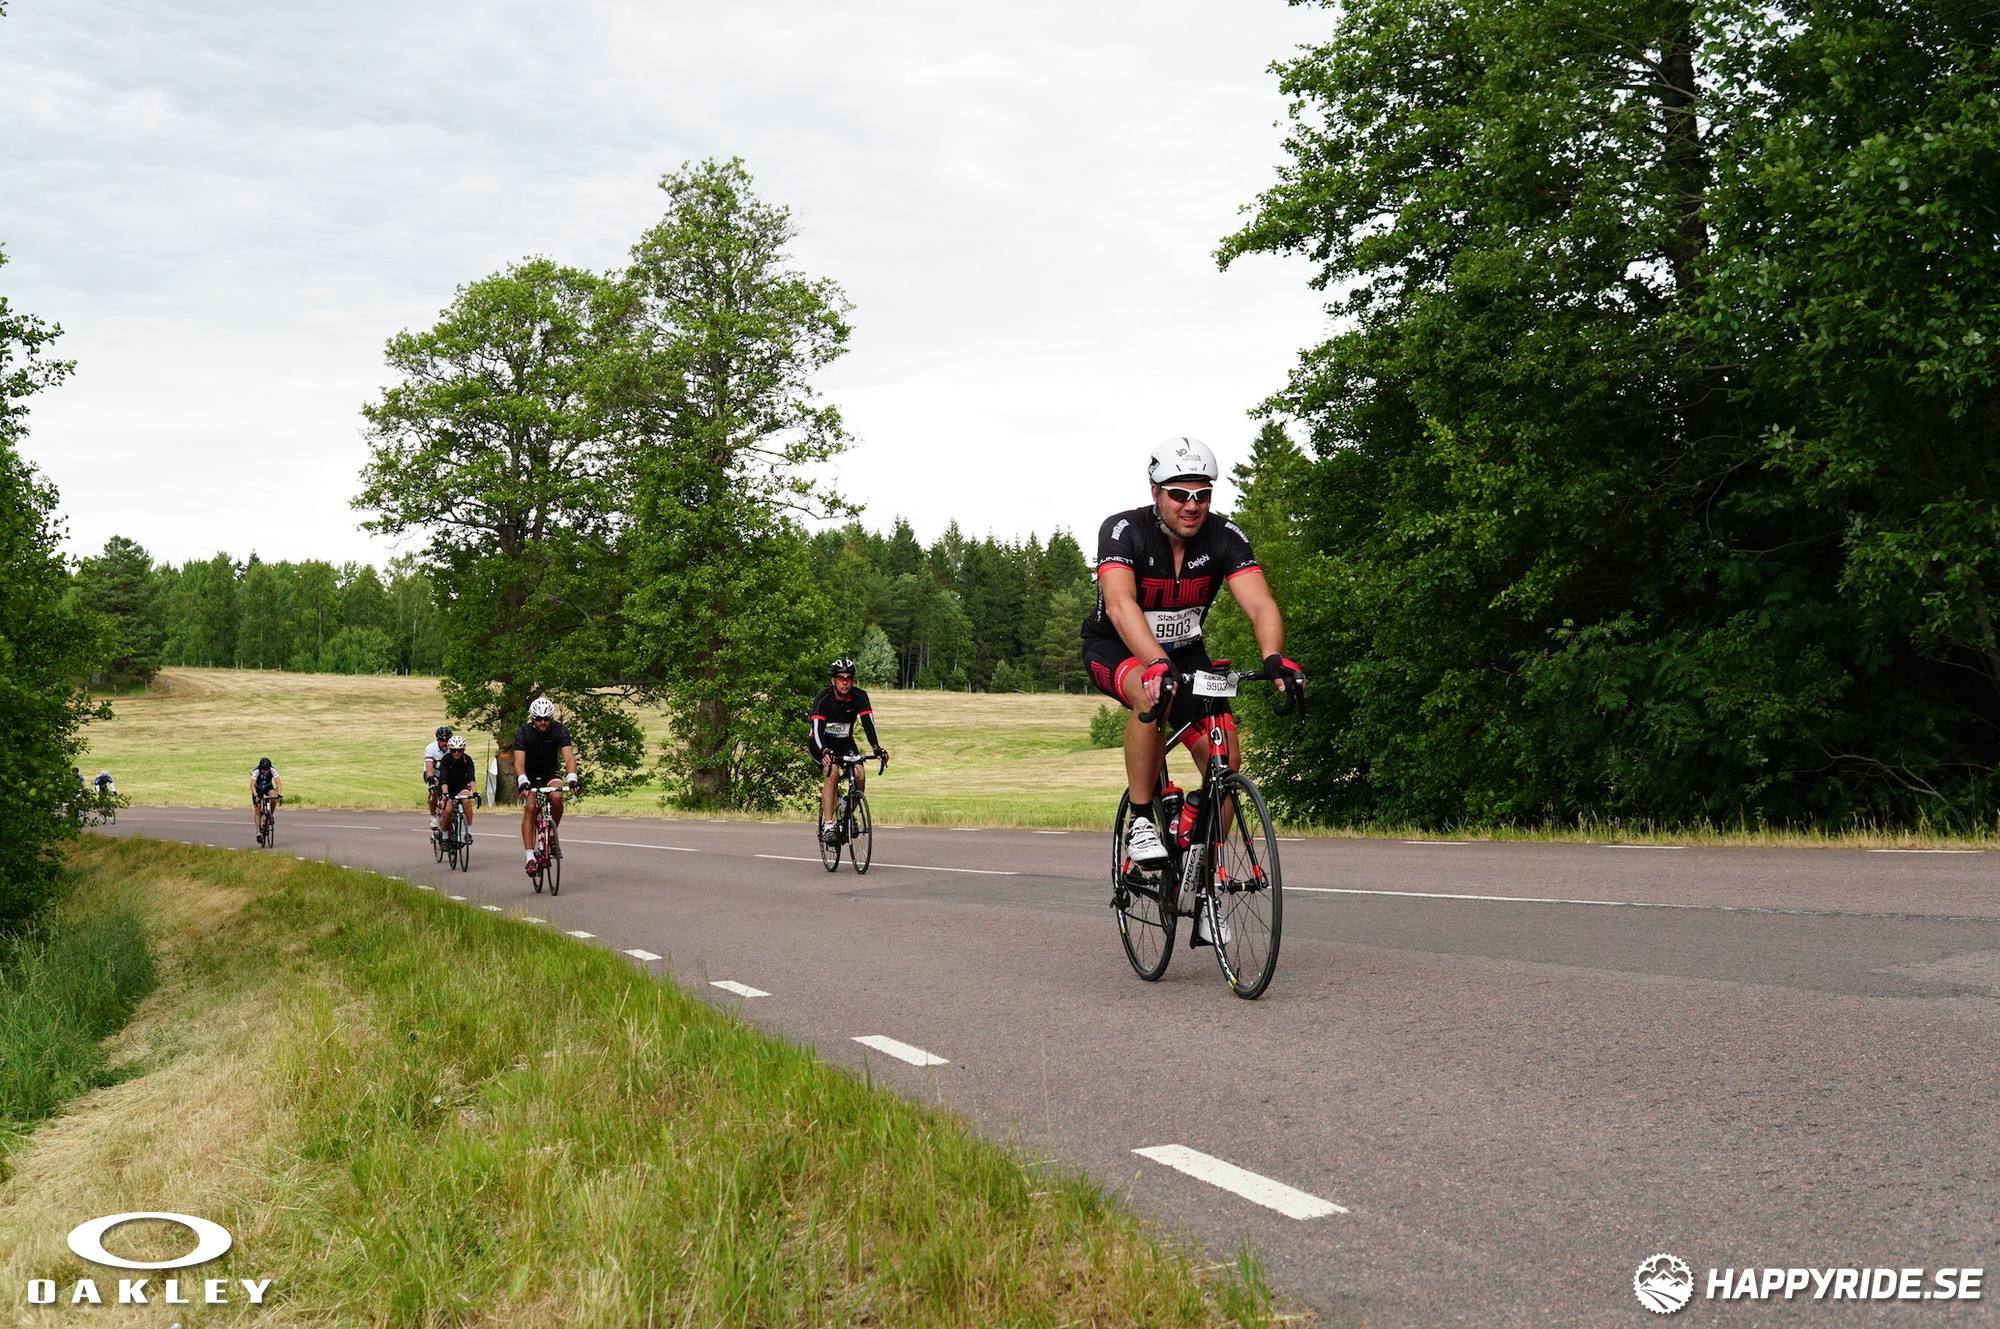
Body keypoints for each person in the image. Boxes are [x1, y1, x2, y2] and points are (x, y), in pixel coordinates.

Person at [1082, 437, 1303, 874]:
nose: (1192, 505)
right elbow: (1121, 604)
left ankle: (1202, 875)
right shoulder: (1124, 530)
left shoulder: (1224, 536)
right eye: (1179, 494)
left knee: (1226, 757)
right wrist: (1155, 662)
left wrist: (1274, 656)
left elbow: (1261, 604)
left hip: (1186, 653)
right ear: (1155, 492)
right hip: (1116, 647)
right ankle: (1141, 819)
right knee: (1152, 693)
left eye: (1202, 495)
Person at [809, 658, 888, 842]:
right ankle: (829, 825)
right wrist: (824, 750)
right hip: (821, 743)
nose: (844, 682)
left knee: (860, 774)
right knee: (832, 773)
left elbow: (869, 724)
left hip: (845, 743)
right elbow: (817, 730)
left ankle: (846, 809)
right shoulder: (823, 699)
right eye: (840, 678)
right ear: (833, 680)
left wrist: (876, 747)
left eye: (848, 678)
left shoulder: (860, 697)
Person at [511, 698, 577, 873]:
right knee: (531, 808)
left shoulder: (560, 730)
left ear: (551, 718)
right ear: (532, 718)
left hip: (549, 772)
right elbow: (518, 762)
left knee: (557, 796)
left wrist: (572, 778)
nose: (542, 722)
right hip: (529, 774)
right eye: (539, 719)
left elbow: (569, 756)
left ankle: (551, 834)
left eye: (546, 719)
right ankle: (530, 857)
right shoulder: (523, 732)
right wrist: (523, 781)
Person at [437, 734, 478, 837]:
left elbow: (471, 778)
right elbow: (443, 779)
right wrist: (445, 794)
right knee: (448, 810)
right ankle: (445, 836)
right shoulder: (446, 760)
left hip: (461, 786)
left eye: (459, 751)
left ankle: (469, 831)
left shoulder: (467, 760)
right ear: (450, 750)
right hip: (447, 787)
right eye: (453, 751)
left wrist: (475, 793)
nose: (456, 753)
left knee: (467, 801)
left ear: (463, 750)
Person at [423, 724, 454, 832]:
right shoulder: (431, 748)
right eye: (442, 740)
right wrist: (431, 781)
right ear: (437, 740)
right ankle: (433, 816)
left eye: (447, 740)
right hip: (434, 774)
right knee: (434, 790)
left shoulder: (453, 748)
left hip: (447, 774)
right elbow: (429, 769)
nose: (445, 743)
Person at [249, 757, 283, 844]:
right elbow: (252, 785)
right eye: (264, 770)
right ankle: (258, 833)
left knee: (273, 797)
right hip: (257, 789)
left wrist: (279, 794)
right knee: (258, 808)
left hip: (268, 787)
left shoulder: (272, 770)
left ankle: (270, 815)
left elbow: (278, 783)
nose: (266, 771)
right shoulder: (256, 771)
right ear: (261, 769)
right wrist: (256, 796)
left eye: (267, 769)